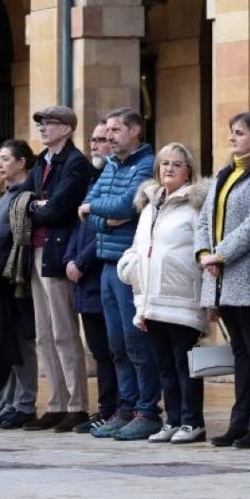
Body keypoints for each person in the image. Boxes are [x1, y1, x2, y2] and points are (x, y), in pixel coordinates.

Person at [196, 112, 250, 449]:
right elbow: (204, 218)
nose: (233, 138)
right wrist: (204, 254)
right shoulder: (225, 172)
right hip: (218, 274)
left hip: (245, 272)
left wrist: (222, 254)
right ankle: (240, 421)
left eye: (240, 133)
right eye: (232, 133)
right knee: (239, 350)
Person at [119, 142, 211, 444]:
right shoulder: (149, 205)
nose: (169, 169)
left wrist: (208, 300)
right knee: (164, 366)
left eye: (176, 164)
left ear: (188, 172)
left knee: (185, 364)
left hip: (183, 297)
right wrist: (130, 272)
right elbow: (138, 248)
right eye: (164, 164)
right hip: (152, 300)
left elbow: (204, 250)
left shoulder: (196, 205)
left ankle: (192, 421)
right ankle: (172, 420)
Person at [84, 108, 157, 441]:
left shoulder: (146, 164)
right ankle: (125, 409)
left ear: (136, 131)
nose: (109, 137)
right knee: (116, 344)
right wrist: (102, 217)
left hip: (130, 265)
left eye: (116, 130)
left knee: (136, 342)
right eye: (107, 131)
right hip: (106, 263)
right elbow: (88, 206)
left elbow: (127, 207)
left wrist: (99, 212)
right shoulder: (110, 165)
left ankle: (148, 410)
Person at [23, 106, 93, 433]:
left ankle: (76, 405)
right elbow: (24, 201)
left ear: (66, 129)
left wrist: (37, 207)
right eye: (41, 124)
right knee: (43, 334)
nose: (43, 128)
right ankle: (56, 403)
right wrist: (36, 206)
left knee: (64, 332)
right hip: (36, 250)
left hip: (57, 250)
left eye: (50, 123)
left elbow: (57, 209)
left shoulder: (76, 164)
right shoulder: (42, 161)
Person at [0, 139, 41, 430]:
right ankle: (10, 401)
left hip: (16, 279)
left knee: (22, 344)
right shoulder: (7, 195)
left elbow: (15, 240)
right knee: (9, 344)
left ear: (22, 162)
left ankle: (24, 403)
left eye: (5, 158)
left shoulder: (25, 194)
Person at [64, 121, 115, 435]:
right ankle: (106, 408)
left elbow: (106, 230)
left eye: (102, 139)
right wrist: (71, 256)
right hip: (84, 280)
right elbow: (78, 225)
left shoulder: (113, 179)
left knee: (114, 351)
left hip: (100, 275)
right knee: (99, 351)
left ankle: (119, 408)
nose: (95, 145)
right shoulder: (93, 180)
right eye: (94, 140)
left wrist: (81, 261)